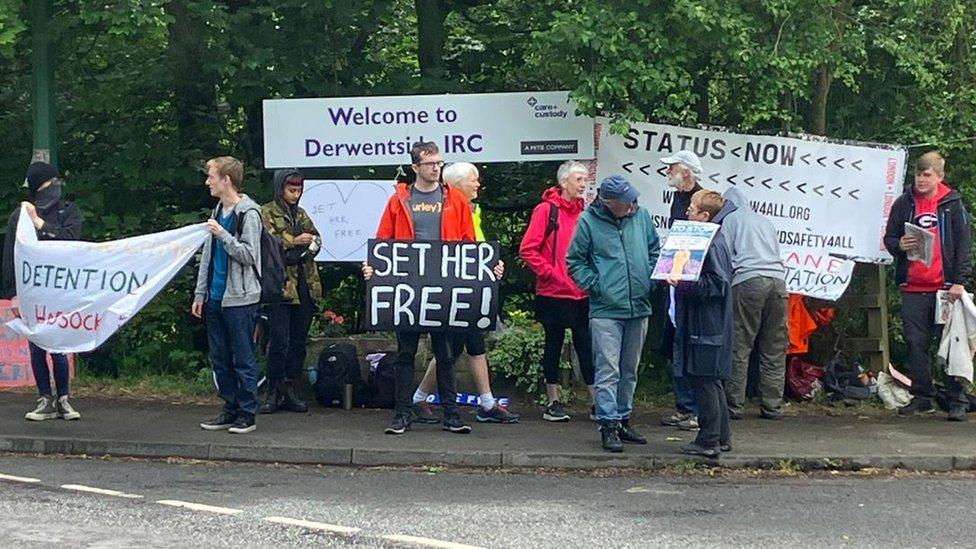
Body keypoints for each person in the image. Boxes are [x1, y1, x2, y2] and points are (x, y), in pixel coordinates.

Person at [362, 141, 483, 436]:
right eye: (430, 163)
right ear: (416, 167)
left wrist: (486, 267)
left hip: (442, 288)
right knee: (406, 353)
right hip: (408, 288)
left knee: (445, 354)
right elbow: (384, 242)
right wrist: (372, 268)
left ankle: (452, 414)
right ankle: (402, 413)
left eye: (439, 162)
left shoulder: (455, 199)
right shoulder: (398, 200)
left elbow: (469, 243)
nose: (436, 167)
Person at [411, 162, 519, 424]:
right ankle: (423, 398)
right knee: (456, 346)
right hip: (455, 289)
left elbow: (476, 246)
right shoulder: (451, 211)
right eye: (473, 180)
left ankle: (484, 402)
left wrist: (491, 264)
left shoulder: (472, 210)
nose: (478, 184)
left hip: (471, 286)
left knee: (470, 343)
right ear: (457, 185)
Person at [566, 175, 660, 452]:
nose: (632, 204)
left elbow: (655, 250)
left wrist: (650, 280)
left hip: (638, 305)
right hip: (606, 308)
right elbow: (574, 261)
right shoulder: (588, 222)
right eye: (626, 201)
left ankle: (623, 419)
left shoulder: (641, 216)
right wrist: (597, 286)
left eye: (632, 198)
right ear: (609, 203)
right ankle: (608, 424)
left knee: (629, 369)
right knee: (608, 369)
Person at [883, 151, 972, 421]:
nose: (921, 180)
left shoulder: (952, 204)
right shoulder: (904, 203)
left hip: (945, 287)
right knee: (915, 342)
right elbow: (889, 238)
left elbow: (963, 245)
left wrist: (960, 281)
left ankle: (957, 400)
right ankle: (923, 396)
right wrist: (899, 245)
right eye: (918, 174)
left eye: (927, 175)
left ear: (940, 176)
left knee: (951, 342)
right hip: (913, 285)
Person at [2, 162, 82, 421]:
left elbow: (71, 240)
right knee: (37, 343)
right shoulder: (19, 216)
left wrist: (39, 223)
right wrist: (13, 292)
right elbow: (10, 255)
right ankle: (44, 398)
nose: (54, 188)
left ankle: (64, 398)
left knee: (58, 344)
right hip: (32, 292)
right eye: (49, 185)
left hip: (59, 290)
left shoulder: (69, 211)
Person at [519, 160, 595, 422]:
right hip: (553, 292)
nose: (583, 185)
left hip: (582, 292)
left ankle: (597, 402)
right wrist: (552, 274)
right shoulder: (546, 210)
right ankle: (553, 401)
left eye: (585, 180)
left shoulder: (586, 211)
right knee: (554, 345)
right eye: (578, 180)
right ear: (564, 183)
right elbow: (528, 249)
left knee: (586, 345)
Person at [192, 156, 263, 434]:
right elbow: (207, 256)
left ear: (226, 180)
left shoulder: (249, 213)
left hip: (241, 298)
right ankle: (229, 407)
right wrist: (201, 293)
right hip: (216, 296)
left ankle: (247, 413)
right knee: (220, 358)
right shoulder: (216, 210)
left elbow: (249, 255)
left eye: (211, 176)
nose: (207, 181)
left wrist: (223, 234)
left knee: (243, 357)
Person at [667, 189, 734, 458]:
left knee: (705, 381)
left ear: (705, 216)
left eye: (692, 209)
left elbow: (717, 284)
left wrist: (682, 281)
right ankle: (722, 436)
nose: (687, 211)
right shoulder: (712, 240)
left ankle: (708, 440)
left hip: (706, 325)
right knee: (711, 380)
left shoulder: (712, 243)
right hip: (707, 323)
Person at [721, 187, 788, 419]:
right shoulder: (765, 221)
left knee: (739, 344)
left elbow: (726, 257)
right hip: (778, 283)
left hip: (748, 280)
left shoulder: (730, 220)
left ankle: (733, 405)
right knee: (774, 347)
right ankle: (772, 406)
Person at [259, 169, 322, 414]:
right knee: (278, 341)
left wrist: (303, 247)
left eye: (298, 191)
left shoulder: (302, 214)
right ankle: (273, 390)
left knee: (298, 341)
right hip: (281, 287)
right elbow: (269, 241)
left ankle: (291, 387)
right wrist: (294, 242)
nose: (295, 195)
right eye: (291, 190)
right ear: (280, 189)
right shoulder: (267, 212)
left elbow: (316, 238)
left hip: (305, 285)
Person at [658, 150, 704, 431]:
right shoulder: (678, 198)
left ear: (686, 172)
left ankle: (696, 409)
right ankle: (684, 406)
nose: (667, 172)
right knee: (677, 340)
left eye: (672, 168)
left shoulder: (701, 199)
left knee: (690, 343)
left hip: (691, 282)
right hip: (675, 277)